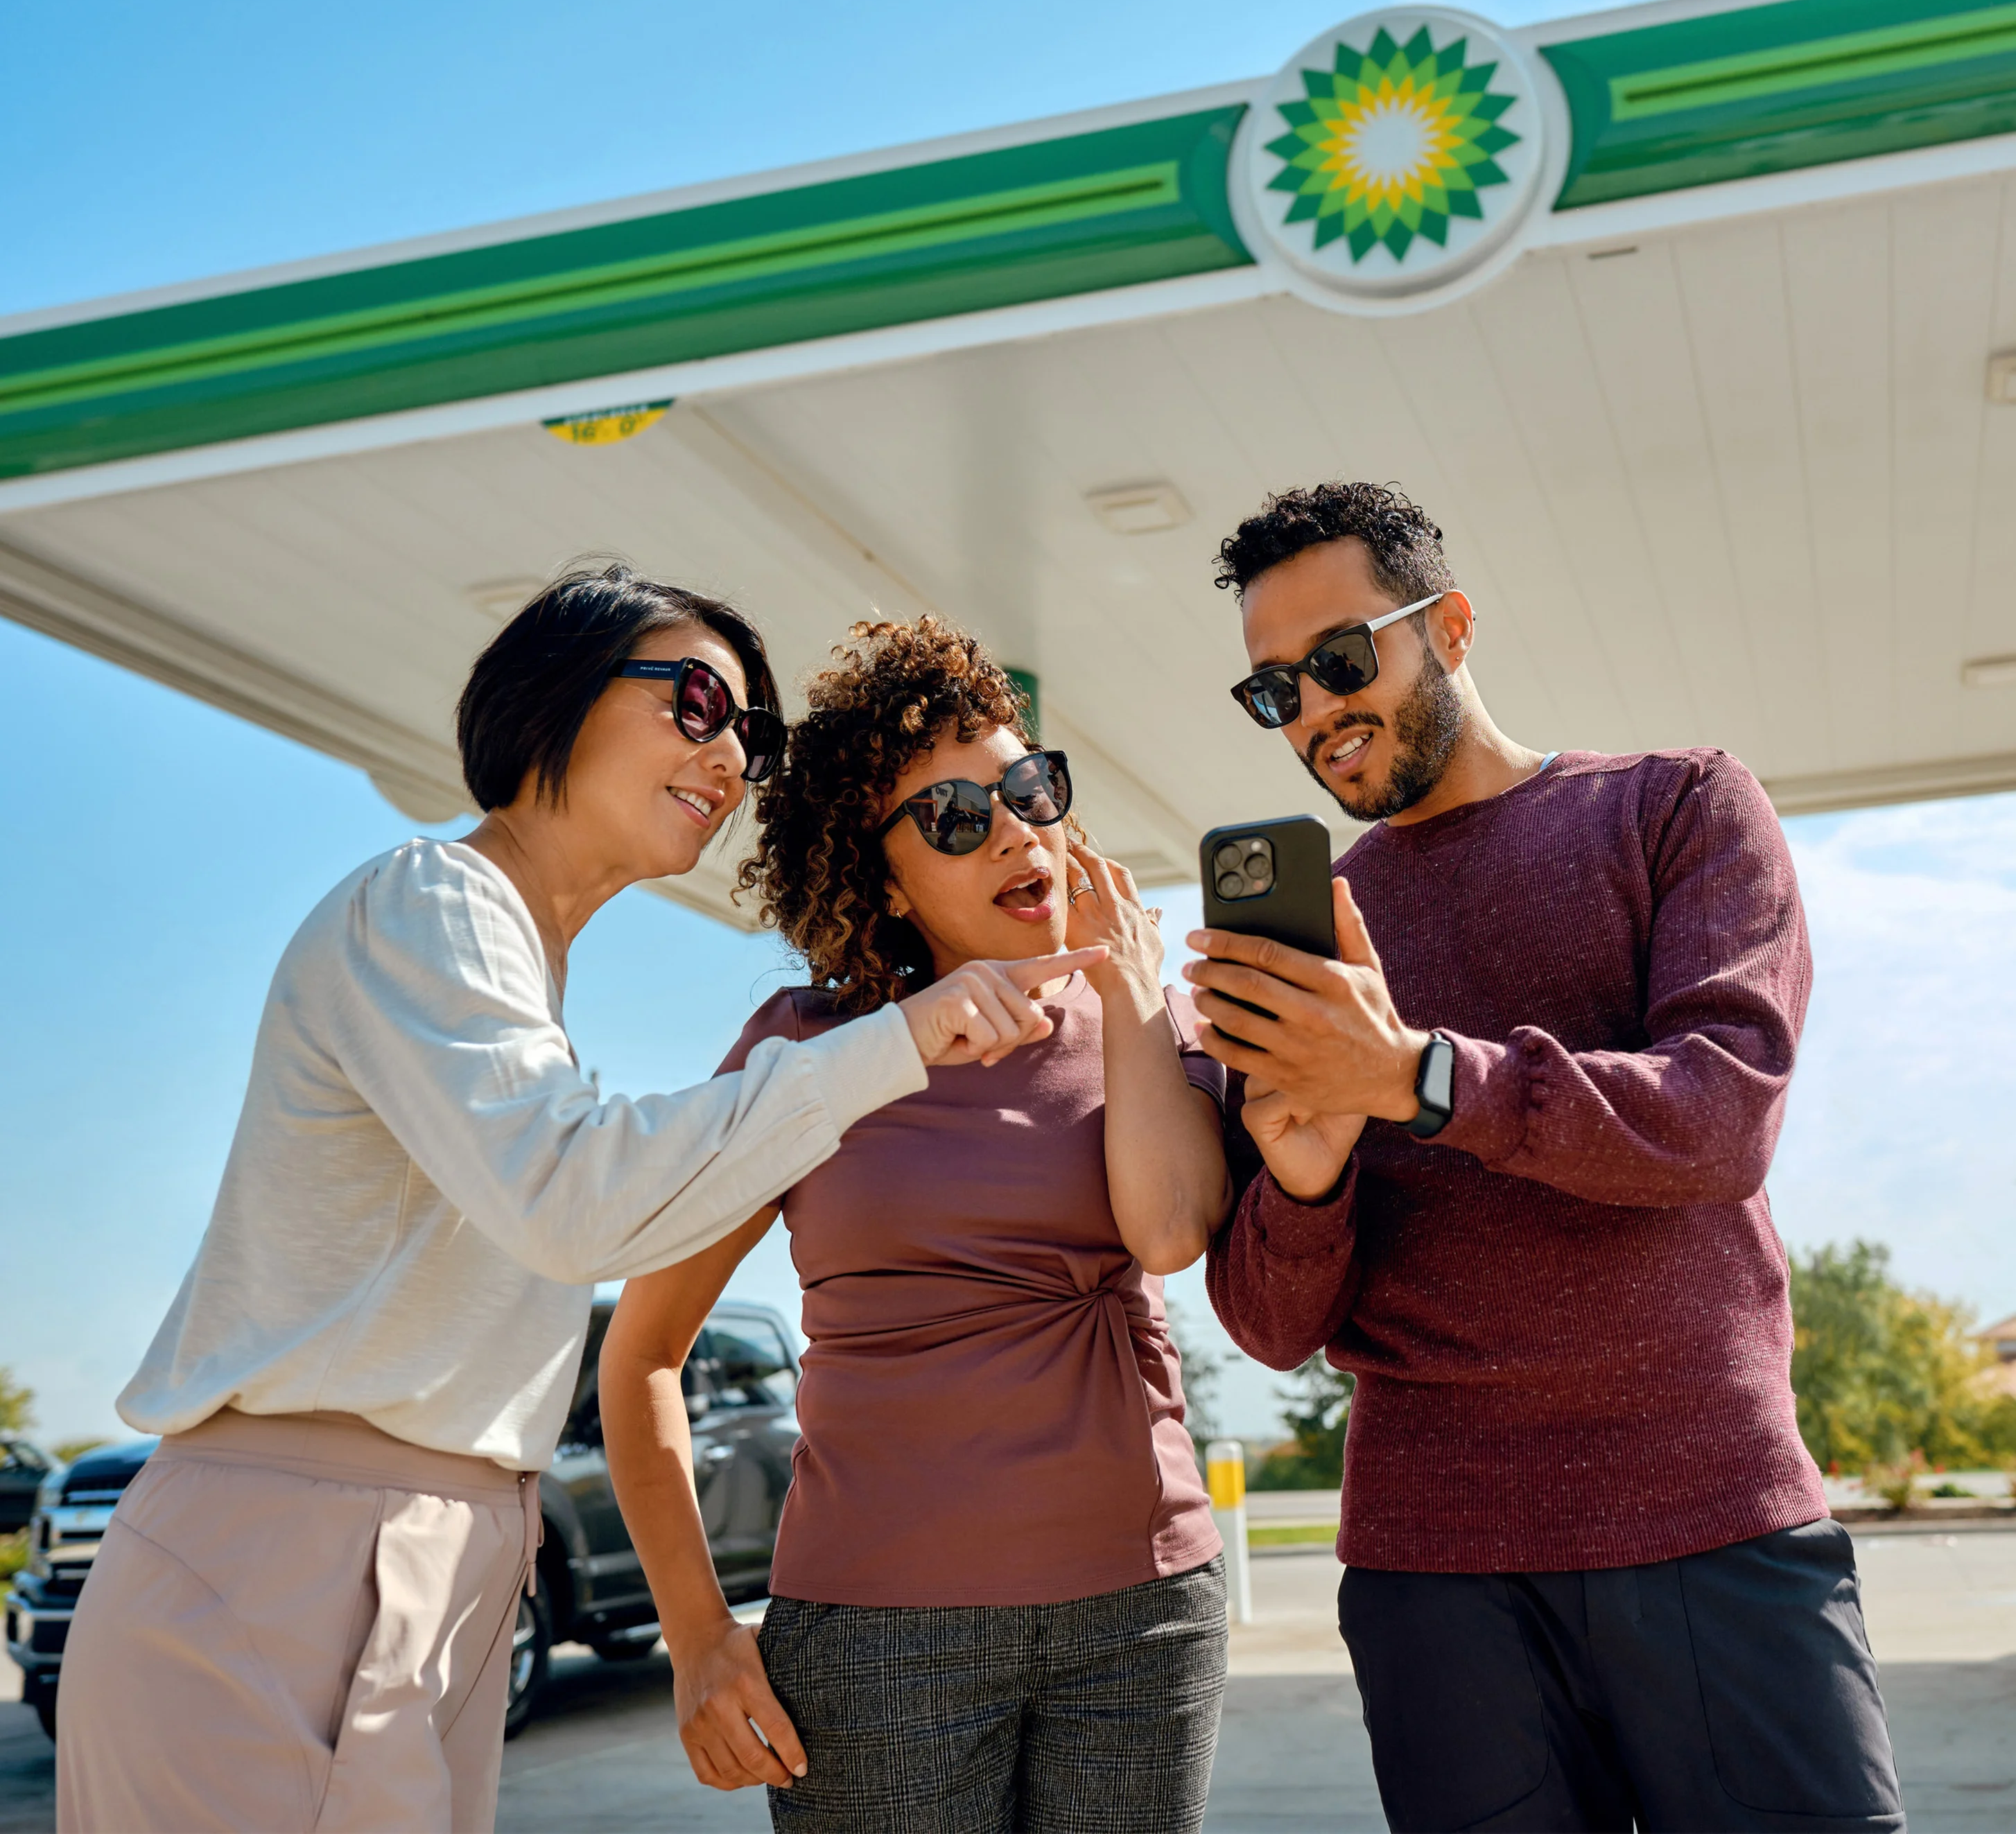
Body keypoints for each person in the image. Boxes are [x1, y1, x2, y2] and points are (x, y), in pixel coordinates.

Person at [58, 566, 1096, 1834]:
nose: (728, 758)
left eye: (751, 738)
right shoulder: (427, 901)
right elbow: (574, 1199)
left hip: (435, 1562)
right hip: (286, 1558)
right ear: (549, 696)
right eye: (699, 701)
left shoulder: (510, 973)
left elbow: (608, 1187)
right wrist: (900, 1041)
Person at [1191, 485, 1904, 1834]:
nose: (1311, 710)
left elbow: (1717, 1119)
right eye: (1271, 688)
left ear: (1447, 624)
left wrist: (1411, 1073)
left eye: (1341, 659)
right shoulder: (1308, 951)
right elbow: (1271, 1322)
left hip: (1710, 1519)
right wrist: (1304, 1168)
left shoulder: (1676, 806)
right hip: (1431, 1577)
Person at [599, 615, 1253, 1834]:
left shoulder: (1147, 1022)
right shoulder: (806, 1053)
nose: (1014, 828)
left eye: (1027, 788)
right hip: (877, 1648)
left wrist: (1123, 992)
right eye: (955, 818)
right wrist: (696, 1637)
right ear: (880, 876)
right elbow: (640, 1356)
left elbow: (1169, 1233)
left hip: (1145, 1621)